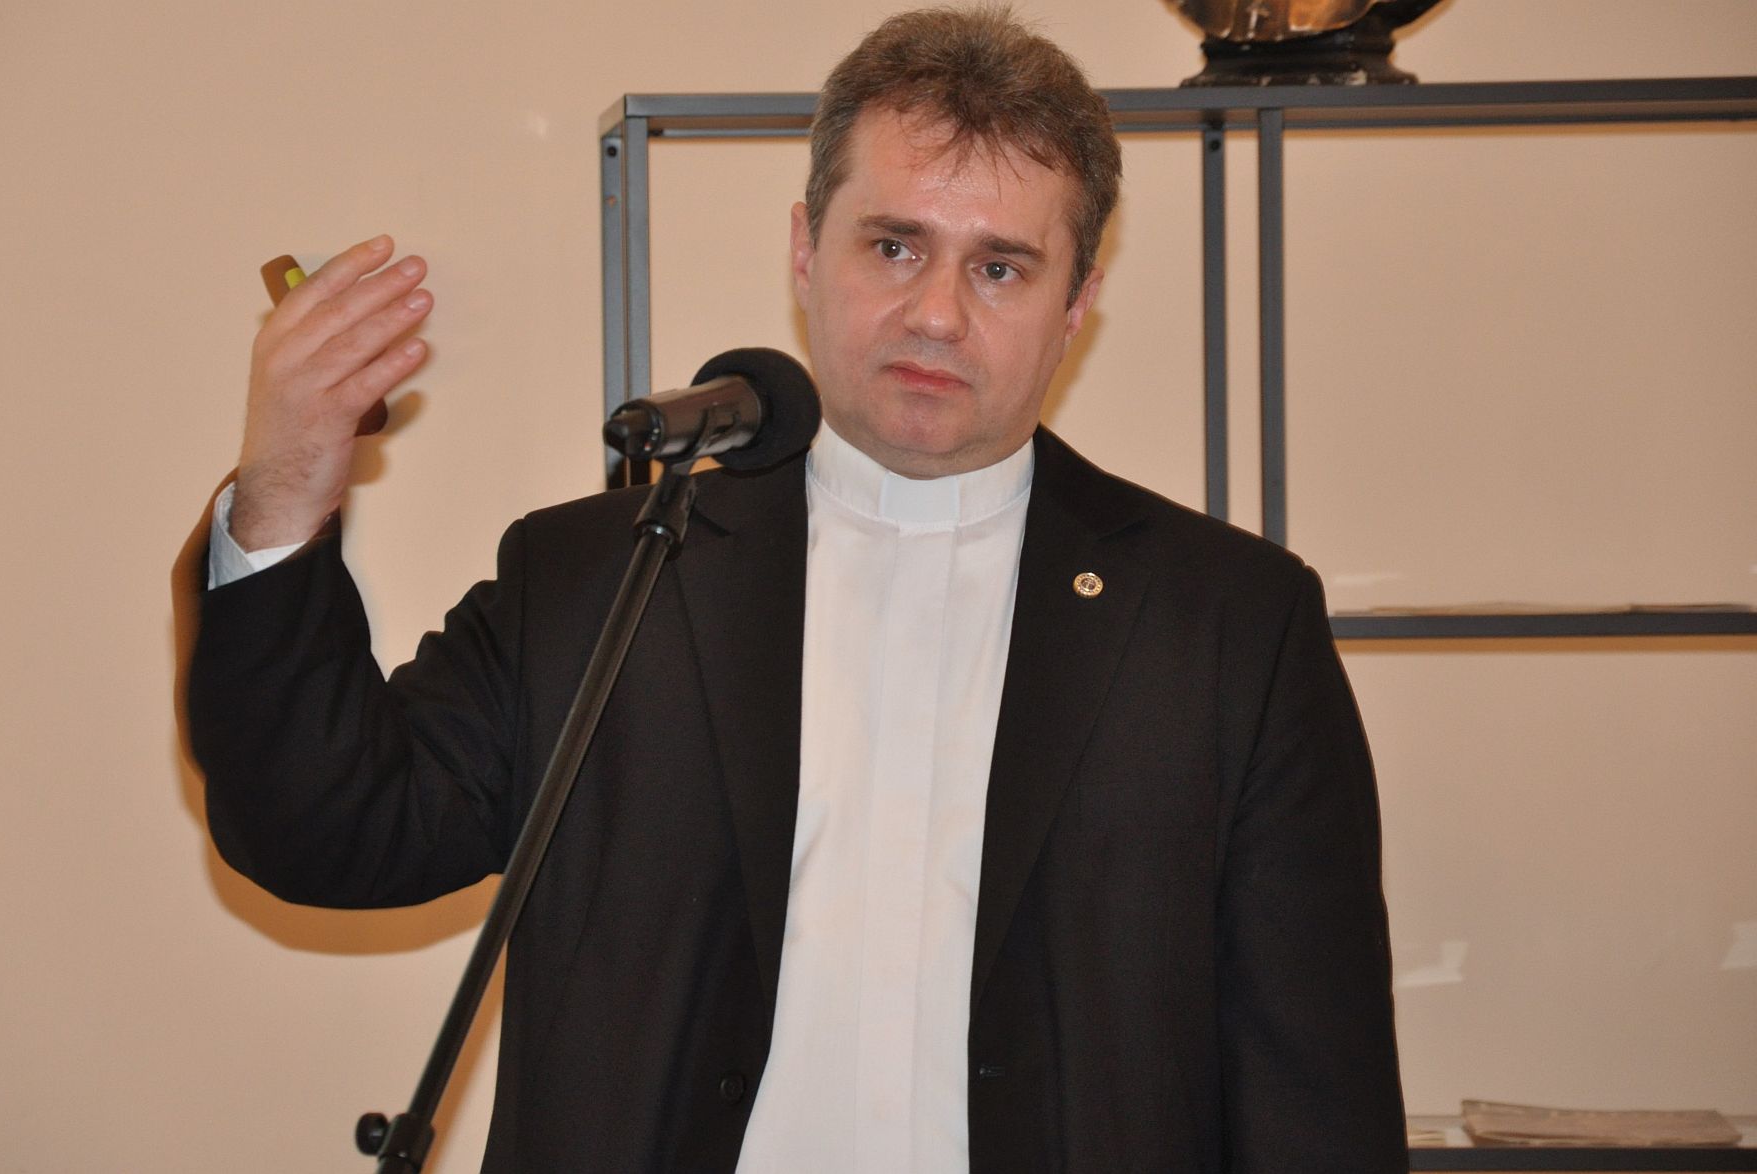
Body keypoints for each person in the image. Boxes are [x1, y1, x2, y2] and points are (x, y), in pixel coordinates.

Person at [187, 7, 1406, 1171]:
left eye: (1000, 268)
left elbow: (1314, 1091)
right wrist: (284, 481)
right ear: (803, 252)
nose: (935, 314)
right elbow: (326, 830)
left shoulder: (1228, 627)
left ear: (1077, 303)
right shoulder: (603, 578)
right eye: (894, 246)